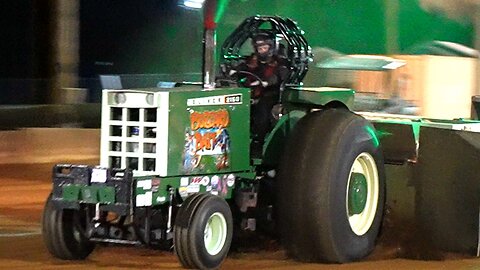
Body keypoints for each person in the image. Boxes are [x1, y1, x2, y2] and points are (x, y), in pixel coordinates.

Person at [230, 31, 289, 155]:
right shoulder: (253, 60)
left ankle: (259, 142)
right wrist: (234, 71)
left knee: (262, 114)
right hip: (251, 94)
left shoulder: (279, 62)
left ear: (271, 47)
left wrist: (267, 82)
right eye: (260, 48)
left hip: (270, 96)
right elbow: (244, 68)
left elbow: (279, 76)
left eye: (265, 48)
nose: (262, 51)